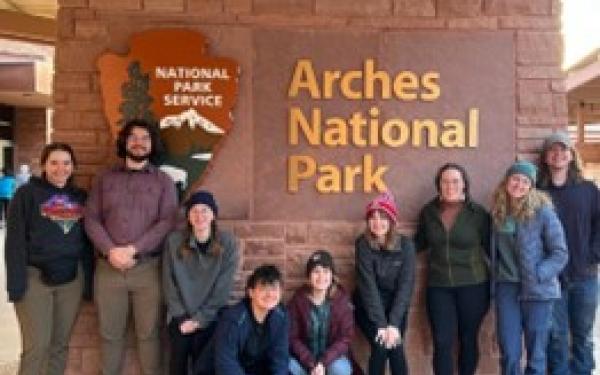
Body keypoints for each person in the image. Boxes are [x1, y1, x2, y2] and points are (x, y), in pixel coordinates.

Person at [85, 119, 178, 375]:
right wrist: (110, 250)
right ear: (125, 142)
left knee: (149, 335)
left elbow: (168, 221)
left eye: (145, 138)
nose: (138, 142)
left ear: (152, 144)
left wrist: (134, 249)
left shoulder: (163, 181)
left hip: (147, 269)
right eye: (133, 137)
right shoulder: (105, 178)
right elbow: (91, 218)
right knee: (109, 334)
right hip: (108, 269)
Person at [5, 143, 93, 375]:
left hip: (71, 280)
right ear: (44, 165)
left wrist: (89, 282)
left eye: (66, 163)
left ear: (73, 167)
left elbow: (86, 242)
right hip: (34, 279)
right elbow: (14, 242)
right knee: (37, 346)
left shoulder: (80, 197)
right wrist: (16, 284)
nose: (60, 168)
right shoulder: (26, 194)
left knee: (59, 345)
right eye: (54, 162)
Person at [490, 160, 568, 375]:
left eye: (526, 181)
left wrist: (538, 274)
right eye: (516, 179)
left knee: (536, 353)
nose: (519, 184)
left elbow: (560, 253)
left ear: (532, 186)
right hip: (506, 288)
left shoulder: (543, 213)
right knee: (509, 351)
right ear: (507, 180)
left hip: (538, 291)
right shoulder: (497, 213)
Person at [414, 163, 490, 375]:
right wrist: (391, 248)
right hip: (439, 286)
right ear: (438, 185)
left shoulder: (478, 214)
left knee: (468, 338)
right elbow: (419, 243)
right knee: (442, 340)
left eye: (455, 181)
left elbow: (491, 248)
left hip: (473, 285)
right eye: (445, 181)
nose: (450, 186)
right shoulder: (428, 212)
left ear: (464, 184)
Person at [538, 131, 600, 375]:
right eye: (553, 150)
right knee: (556, 338)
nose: (558, 154)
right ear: (545, 158)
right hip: (552, 280)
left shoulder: (588, 190)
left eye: (563, 149)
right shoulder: (538, 193)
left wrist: (593, 255)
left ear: (571, 156)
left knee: (583, 337)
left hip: (585, 276)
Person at [162, 190, 239, 375]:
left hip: (210, 318)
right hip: (179, 317)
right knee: (176, 367)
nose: (200, 216)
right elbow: (168, 282)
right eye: (194, 211)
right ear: (188, 216)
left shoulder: (227, 243)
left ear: (213, 215)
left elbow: (223, 288)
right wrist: (181, 317)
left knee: (204, 369)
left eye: (205, 210)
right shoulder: (174, 241)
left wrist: (199, 320)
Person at [354, 191, 415, 375]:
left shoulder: (405, 245)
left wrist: (394, 323)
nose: (377, 222)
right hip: (368, 305)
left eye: (383, 217)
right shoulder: (363, 244)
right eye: (372, 217)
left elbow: (406, 286)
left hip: (395, 305)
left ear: (392, 220)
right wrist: (381, 324)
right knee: (381, 346)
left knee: (395, 346)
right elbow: (367, 285)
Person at [214, 264, 289, 375]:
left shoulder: (281, 316)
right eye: (263, 288)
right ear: (251, 292)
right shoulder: (233, 319)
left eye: (274, 288)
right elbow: (226, 364)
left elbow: (280, 358)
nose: (269, 294)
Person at [288, 250, 354, 375]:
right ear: (308, 277)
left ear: (332, 275)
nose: (321, 276)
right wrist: (311, 363)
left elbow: (345, 338)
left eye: (326, 271)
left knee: (340, 370)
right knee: (287, 366)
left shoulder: (341, 300)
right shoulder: (298, 300)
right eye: (316, 271)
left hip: (332, 361)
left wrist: (323, 363)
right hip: (304, 361)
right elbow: (292, 338)